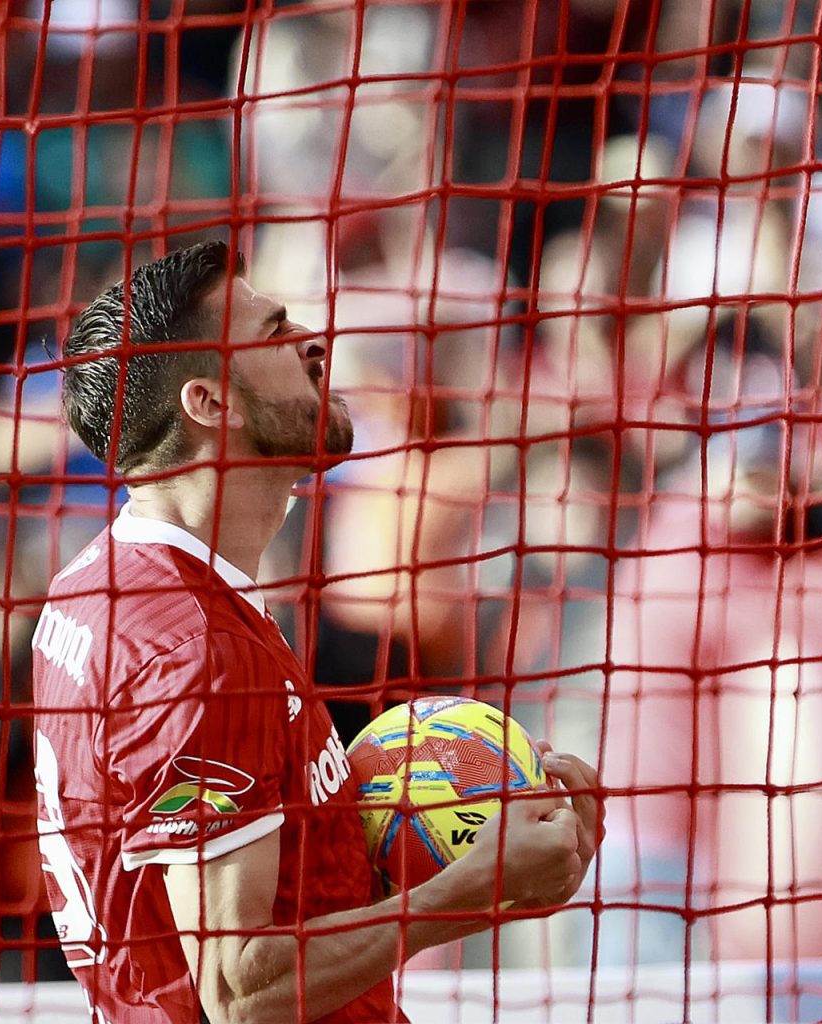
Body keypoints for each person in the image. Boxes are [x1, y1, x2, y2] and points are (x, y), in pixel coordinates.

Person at [33, 240, 601, 1024]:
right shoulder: (192, 645)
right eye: (274, 334)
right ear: (209, 404)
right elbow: (238, 989)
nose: (314, 339)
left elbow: (278, 908)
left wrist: (497, 877)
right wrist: (463, 889)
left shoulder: (109, 583)